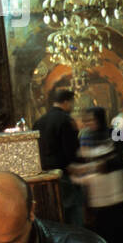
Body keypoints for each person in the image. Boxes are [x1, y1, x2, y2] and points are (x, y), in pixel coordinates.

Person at [72, 107, 123, 243]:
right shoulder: (85, 137)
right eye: (86, 120)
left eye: (92, 120)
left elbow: (119, 155)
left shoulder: (114, 131)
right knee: (102, 223)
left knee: (117, 221)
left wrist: (102, 164)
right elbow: (83, 160)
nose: (89, 123)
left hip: (114, 186)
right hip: (97, 189)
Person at [37, 87, 82, 227]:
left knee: (54, 214)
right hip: (64, 174)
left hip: (44, 176)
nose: (72, 107)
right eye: (72, 103)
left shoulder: (39, 122)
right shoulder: (65, 120)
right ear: (66, 102)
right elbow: (71, 150)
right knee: (73, 212)